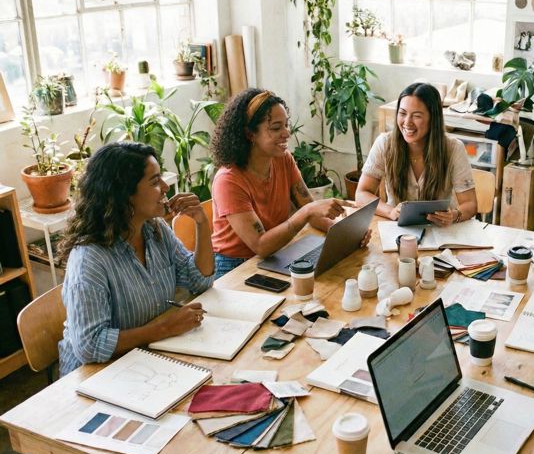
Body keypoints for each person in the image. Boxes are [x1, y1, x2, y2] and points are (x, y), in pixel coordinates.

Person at [58, 142, 215, 377]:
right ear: (123, 195)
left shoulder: (155, 229)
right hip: (97, 374)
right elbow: (89, 346)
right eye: (154, 182)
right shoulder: (89, 259)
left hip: (147, 356)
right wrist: (165, 328)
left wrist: (202, 224)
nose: (165, 187)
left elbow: (199, 281)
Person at [210, 88, 367, 278]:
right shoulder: (228, 180)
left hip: (276, 254)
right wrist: (306, 213)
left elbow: (312, 210)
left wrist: (345, 234)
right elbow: (260, 245)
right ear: (250, 134)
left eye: (286, 125)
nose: (286, 133)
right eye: (276, 128)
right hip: (236, 268)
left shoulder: (282, 159)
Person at [355, 82, 478, 226]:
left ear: (433, 118)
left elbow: (470, 204)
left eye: (417, 116)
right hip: (397, 229)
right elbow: (362, 194)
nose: (407, 122)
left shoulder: (453, 148)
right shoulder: (384, 143)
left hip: (440, 233)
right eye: (402, 113)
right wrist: (390, 211)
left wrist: (454, 215)